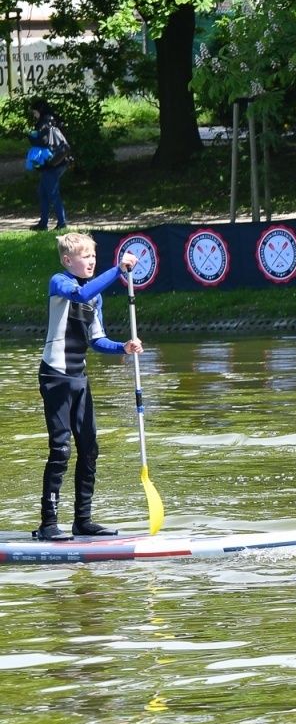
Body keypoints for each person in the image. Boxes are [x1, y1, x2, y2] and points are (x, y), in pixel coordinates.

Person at [35, 234, 143, 541]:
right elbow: (80, 294)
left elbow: (97, 341)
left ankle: (82, 520)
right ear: (68, 260)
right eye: (85, 257)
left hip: (79, 379)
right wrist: (118, 270)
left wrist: (124, 347)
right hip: (55, 377)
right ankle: (48, 524)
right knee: (61, 449)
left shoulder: (96, 298)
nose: (91, 261)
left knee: (89, 448)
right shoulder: (59, 282)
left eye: (93, 256)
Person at [28, 99, 70, 231]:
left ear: (40, 111)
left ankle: (61, 223)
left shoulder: (44, 122)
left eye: (35, 112)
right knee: (43, 192)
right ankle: (43, 223)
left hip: (50, 163)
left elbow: (42, 141)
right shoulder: (55, 120)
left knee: (52, 193)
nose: (34, 115)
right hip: (61, 160)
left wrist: (30, 136)